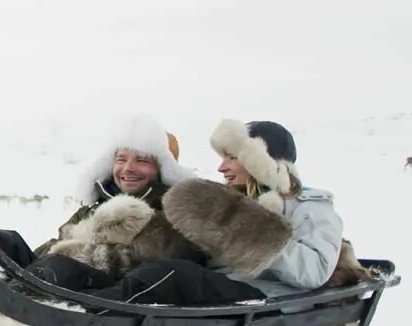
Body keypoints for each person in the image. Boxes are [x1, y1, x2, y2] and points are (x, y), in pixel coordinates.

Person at [94, 120, 353, 305]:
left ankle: (89, 313)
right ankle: (69, 300)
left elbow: (317, 271)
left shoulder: (311, 206)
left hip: (269, 305)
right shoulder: (233, 199)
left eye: (232, 157)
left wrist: (246, 229)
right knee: (157, 270)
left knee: (172, 275)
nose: (221, 167)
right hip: (224, 297)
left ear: (258, 160)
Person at [0, 116, 195, 288]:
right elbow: (53, 248)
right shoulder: (92, 208)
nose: (128, 168)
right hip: (55, 278)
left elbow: (143, 261)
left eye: (142, 161)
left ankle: (9, 299)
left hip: (103, 297)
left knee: (57, 266)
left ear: (163, 169)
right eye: (121, 159)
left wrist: (65, 256)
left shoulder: (172, 215)